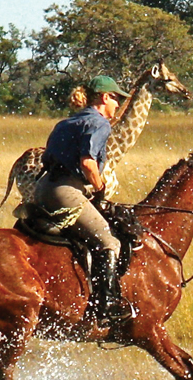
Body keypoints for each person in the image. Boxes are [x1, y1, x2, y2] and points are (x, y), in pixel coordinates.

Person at [33, 75, 133, 325]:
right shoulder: (99, 123)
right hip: (66, 191)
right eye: (116, 99)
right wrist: (100, 187)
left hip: (44, 187)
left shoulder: (66, 122)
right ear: (105, 97)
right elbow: (88, 163)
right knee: (109, 241)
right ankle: (106, 304)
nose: (118, 105)